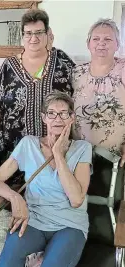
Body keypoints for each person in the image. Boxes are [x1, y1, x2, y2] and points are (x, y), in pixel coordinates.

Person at [0, 92, 92, 267]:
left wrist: (58, 154)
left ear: (72, 117)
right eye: (51, 113)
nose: (57, 118)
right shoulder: (28, 144)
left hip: (69, 225)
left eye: (64, 113)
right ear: (44, 118)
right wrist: (15, 197)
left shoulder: (83, 148)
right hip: (33, 220)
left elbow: (76, 200)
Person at [0, 9, 75, 183]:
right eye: (28, 33)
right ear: (22, 35)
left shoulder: (62, 62)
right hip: (14, 152)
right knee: (12, 202)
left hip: (54, 150)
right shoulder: (8, 66)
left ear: (48, 34)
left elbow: (75, 101)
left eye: (39, 32)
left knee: (51, 196)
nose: (34, 38)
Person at [72, 19, 125, 165]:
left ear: (117, 44)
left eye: (108, 39)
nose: (101, 43)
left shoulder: (122, 69)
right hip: (78, 155)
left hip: (114, 158)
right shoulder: (76, 72)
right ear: (88, 44)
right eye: (96, 39)